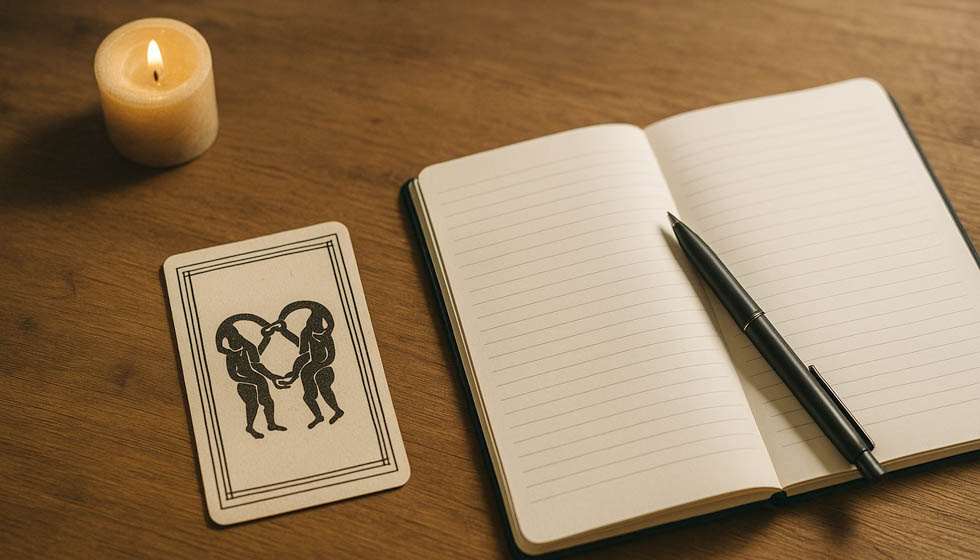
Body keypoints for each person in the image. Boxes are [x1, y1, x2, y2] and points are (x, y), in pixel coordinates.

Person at [270, 301, 344, 429]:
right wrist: (294, 374)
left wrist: (317, 366)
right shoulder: (307, 334)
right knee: (308, 396)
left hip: (324, 368)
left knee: (323, 387)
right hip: (310, 368)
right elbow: (302, 351)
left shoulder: (326, 336)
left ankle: (337, 410)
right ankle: (318, 416)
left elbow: (330, 357)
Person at [215, 319, 288, 439]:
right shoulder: (231, 356)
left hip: (258, 380)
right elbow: (233, 375)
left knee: (268, 401)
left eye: (236, 338)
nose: (235, 342)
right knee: (253, 403)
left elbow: (257, 365)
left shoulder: (249, 347)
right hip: (244, 382)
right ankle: (250, 427)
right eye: (231, 340)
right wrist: (252, 382)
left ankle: (271, 424)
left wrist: (272, 377)